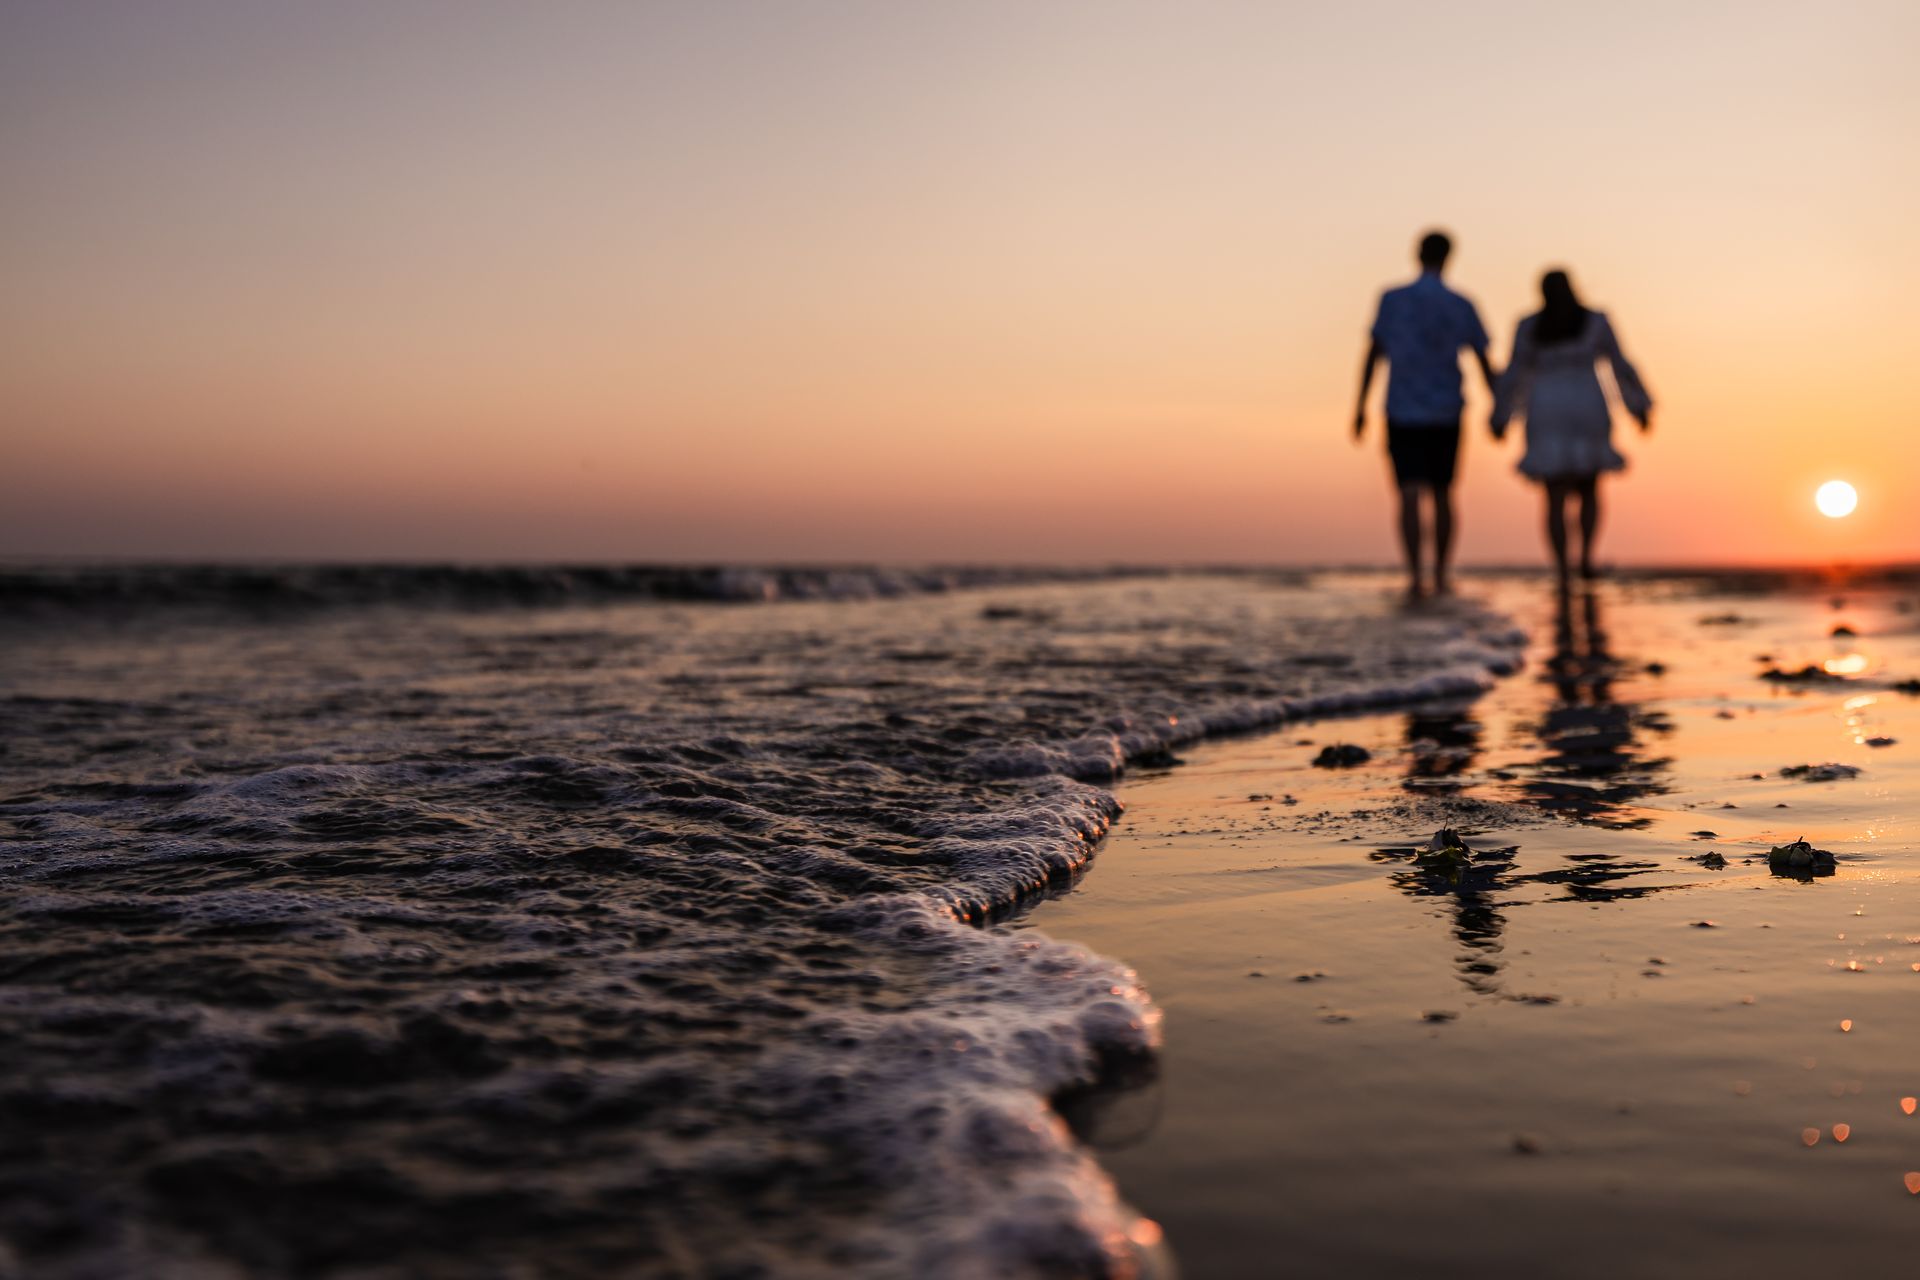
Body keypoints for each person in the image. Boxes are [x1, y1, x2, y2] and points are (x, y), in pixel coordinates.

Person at [1354, 230, 1497, 599]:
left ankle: (1416, 574)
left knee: (1409, 493)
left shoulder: (1392, 299)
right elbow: (1483, 360)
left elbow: (1374, 353)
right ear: (1449, 257)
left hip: (1402, 407)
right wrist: (1501, 405)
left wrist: (1360, 406)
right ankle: (1442, 572)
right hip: (1445, 407)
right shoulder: (1460, 304)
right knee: (1444, 492)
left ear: (1417, 254)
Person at [1491, 269, 1652, 584]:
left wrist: (1501, 415)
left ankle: (1562, 566)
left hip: (1547, 408)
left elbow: (1514, 375)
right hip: (1585, 405)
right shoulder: (1594, 322)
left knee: (1554, 494)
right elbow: (1620, 365)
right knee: (1589, 487)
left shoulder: (1530, 327)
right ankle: (1586, 559)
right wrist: (1638, 406)